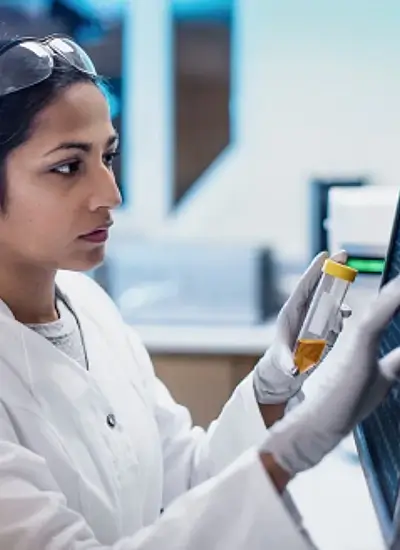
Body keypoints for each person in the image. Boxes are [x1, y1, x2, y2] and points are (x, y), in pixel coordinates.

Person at [0, 34, 399, 550]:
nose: (110, 194)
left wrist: (272, 386)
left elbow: (185, 482)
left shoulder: (91, 309)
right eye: (68, 166)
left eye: (109, 156)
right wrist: (295, 449)